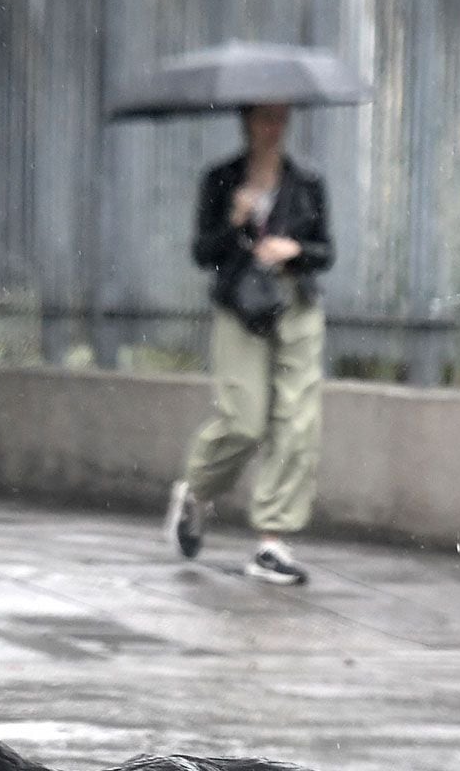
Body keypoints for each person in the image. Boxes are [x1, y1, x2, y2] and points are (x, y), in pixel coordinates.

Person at [165, 103, 333, 586]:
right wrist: (235, 223)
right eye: (264, 118)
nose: (273, 127)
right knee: (244, 418)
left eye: (281, 118)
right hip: (241, 305)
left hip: (296, 306)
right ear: (246, 122)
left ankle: (271, 542)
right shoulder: (221, 178)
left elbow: (326, 250)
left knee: (297, 422)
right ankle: (197, 492)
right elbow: (203, 252)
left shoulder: (306, 180)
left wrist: (295, 251)